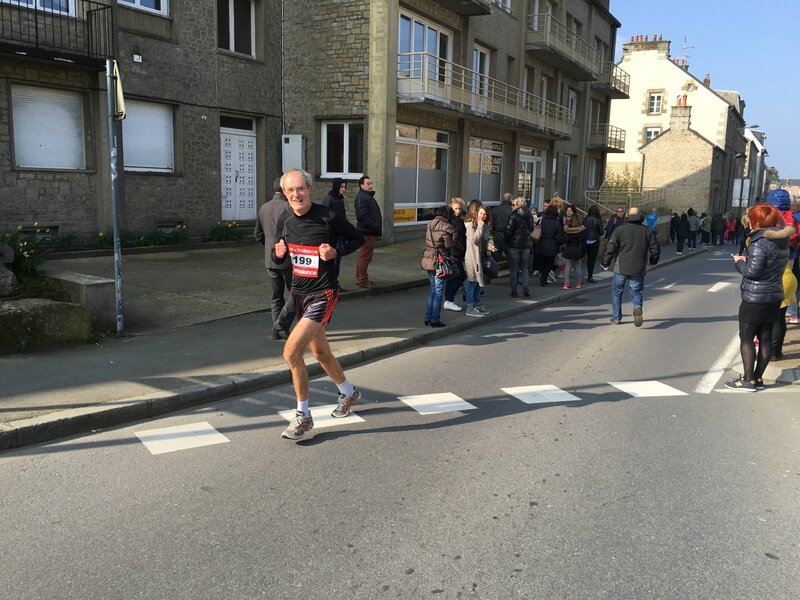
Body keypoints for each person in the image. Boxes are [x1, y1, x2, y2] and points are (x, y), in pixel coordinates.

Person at [272, 169, 365, 440]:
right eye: (290, 190)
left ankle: (303, 416)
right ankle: (349, 393)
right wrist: (278, 256)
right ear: (285, 193)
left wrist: (337, 251)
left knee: (291, 353)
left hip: (323, 294)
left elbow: (357, 238)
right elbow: (280, 255)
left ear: (309, 189)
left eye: (300, 189)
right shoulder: (285, 218)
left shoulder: (329, 216)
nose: (296, 195)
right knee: (321, 353)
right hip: (298, 294)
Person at [726, 203, 792, 391]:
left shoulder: (759, 242)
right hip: (774, 295)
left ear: (756, 220)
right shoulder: (782, 240)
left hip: (755, 297)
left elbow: (753, 272)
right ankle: (758, 379)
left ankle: (748, 380)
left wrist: (738, 263)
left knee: (746, 337)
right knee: (765, 338)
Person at [601, 206, 660, 327]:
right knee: (636, 290)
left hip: (621, 266)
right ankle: (637, 307)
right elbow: (655, 249)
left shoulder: (619, 230)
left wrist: (606, 263)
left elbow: (610, 248)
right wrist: (653, 261)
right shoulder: (647, 230)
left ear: (627, 216)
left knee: (617, 292)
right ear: (640, 216)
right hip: (638, 267)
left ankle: (616, 317)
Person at [254, 176, 294, 341]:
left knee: (276, 296)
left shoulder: (264, 207)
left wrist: (270, 248)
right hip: (289, 259)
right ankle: (282, 325)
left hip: (271, 260)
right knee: (296, 294)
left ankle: (277, 328)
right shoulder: (289, 207)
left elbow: (257, 234)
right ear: (285, 189)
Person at [420, 206, 457, 327]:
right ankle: (435, 319)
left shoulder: (430, 224)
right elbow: (448, 245)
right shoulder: (446, 227)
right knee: (439, 292)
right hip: (440, 261)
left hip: (429, 259)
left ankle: (427, 317)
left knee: (432, 290)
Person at [464, 200, 493, 317]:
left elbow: (482, 240)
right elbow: (474, 240)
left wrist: (488, 245)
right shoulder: (471, 224)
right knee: (472, 282)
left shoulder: (481, 225)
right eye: (480, 213)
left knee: (477, 282)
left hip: (479, 257)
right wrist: (480, 226)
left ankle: (477, 304)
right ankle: (470, 307)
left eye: (485, 214)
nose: (482, 216)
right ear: (476, 213)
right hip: (472, 258)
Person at [354, 175, 382, 289]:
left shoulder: (366, 196)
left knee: (364, 256)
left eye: (371, 183)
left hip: (369, 232)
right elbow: (362, 216)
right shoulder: (363, 197)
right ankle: (362, 280)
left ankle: (360, 278)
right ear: (361, 185)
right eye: (368, 184)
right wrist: (374, 226)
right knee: (365, 257)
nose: (370, 185)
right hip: (367, 232)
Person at [504, 196, 534, 297]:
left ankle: (514, 291)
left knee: (513, 268)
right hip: (526, 245)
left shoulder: (514, 216)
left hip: (514, 245)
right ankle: (526, 288)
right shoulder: (529, 215)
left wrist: (507, 241)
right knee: (524, 267)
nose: (511, 206)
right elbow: (531, 228)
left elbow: (508, 231)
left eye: (513, 205)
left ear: (517, 205)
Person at [322, 178, 349, 287]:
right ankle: (331, 283)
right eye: (342, 187)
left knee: (337, 261)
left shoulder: (339, 199)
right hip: (332, 236)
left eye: (344, 187)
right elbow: (326, 218)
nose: (344, 189)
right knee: (333, 261)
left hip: (340, 235)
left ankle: (334, 282)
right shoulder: (329, 199)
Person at [443, 197, 467, 312]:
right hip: (453, 252)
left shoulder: (459, 219)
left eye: (459, 209)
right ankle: (449, 300)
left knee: (453, 277)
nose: (458, 211)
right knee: (459, 276)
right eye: (456, 208)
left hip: (457, 252)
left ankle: (448, 300)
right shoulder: (451, 221)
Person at [533, 203, 564, 287]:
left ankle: (543, 278)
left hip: (540, 244)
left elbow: (536, 229)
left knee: (542, 263)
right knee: (549, 264)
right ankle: (544, 277)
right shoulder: (557, 223)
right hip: (551, 245)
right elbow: (560, 237)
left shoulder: (542, 220)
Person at [561, 206, 587, 289]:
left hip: (568, 249)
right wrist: (583, 252)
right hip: (577, 249)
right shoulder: (581, 230)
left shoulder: (567, 229)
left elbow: (564, 239)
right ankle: (579, 283)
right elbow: (583, 242)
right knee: (578, 267)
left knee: (567, 267)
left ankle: (566, 283)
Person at [584, 204, 604, 282]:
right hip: (594, 240)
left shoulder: (586, 218)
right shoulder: (598, 219)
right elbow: (601, 232)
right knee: (591, 259)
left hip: (586, 240)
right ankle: (590, 276)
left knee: (583, 258)